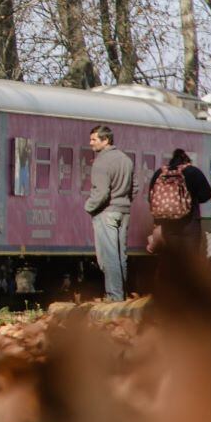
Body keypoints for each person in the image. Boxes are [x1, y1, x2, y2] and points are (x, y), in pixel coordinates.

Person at [84, 124, 138, 301]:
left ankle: (114, 297)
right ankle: (121, 294)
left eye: (94, 139)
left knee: (109, 256)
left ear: (105, 140)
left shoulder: (101, 162)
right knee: (121, 255)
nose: (90, 143)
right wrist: (125, 201)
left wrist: (89, 206)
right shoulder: (126, 160)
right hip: (124, 211)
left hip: (106, 212)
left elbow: (101, 193)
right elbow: (135, 187)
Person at [146, 148, 211, 255]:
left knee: (172, 258)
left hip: (167, 223)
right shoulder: (193, 172)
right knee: (190, 259)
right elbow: (206, 195)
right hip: (190, 223)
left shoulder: (160, 173)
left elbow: (151, 198)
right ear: (187, 161)